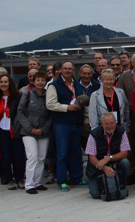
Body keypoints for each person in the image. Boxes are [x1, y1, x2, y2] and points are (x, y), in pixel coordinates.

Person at [46, 61, 87, 191]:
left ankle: (76, 178)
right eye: (65, 69)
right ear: (60, 70)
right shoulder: (54, 86)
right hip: (62, 124)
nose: (68, 71)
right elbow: (50, 104)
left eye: (70, 69)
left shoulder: (78, 85)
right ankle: (62, 180)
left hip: (76, 123)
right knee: (62, 153)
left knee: (76, 153)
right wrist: (67, 107)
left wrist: (85, 120)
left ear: (73, 71)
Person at [17, 71, 52, 194]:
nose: (40, 82)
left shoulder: (49, 95)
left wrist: (43, 129)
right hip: (28, 132)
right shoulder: (27, 95)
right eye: (38, 80)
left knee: (41, 157)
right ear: (34, 81)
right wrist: (29, 128)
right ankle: (29, 184)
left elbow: (51, 115)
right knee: (32, 156)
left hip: (43, 132)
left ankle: (37, 182)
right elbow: (20, 112)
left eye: (43, 80)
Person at [85, 113, 131, 199]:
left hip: (114, 163)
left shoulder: (121, 131)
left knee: (125, 162)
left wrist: (109, 158)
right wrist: (104, 168)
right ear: (102, 124)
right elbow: (92, 158)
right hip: (97, 167)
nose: (109, 126)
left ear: (116, 122)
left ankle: (121, 184)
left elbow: (125, 152)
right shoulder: (94, 134)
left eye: (112, 123)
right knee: (96, 194)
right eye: (106, 124)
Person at [0, 75, 24, 190]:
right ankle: (9, 179)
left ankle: (19, 178)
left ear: (10, 83)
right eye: (1, 82)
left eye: (6, 82)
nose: (3, 84)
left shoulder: (17, 96)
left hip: (15, 129)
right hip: (2, 130)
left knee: (18, 155)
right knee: (5, 155)